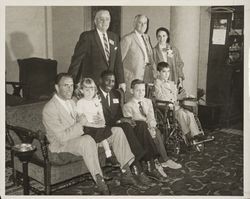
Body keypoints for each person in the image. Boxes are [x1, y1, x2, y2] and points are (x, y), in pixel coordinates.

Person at [42, 73, 139, 195]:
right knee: (87, 140)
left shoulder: (73, 101)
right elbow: (61, 137)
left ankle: (126, 173)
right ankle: (99, 181)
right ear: (57, 87)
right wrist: (81, 124)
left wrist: (99, 120)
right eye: (65, 85)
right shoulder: (50, 108)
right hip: (63, 144)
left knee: (117, 131)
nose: (69, 89)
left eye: (71, 85)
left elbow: (91, 114)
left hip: (85, 135)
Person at [97, 70, 169, 185]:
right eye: (107, 80)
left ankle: (150, 167)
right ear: (100, 81)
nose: (110, 83)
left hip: (117, 123)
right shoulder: (95, 95)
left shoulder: (115, 94)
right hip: (103, 127)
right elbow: (100, 118)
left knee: (141, 124)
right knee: (125, 126)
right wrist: (121, 120)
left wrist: (126, 119)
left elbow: (119, 114)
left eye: (113, 81)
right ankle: (138, 169)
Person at [123, 79, 182, 170]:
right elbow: (131, 124)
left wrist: (152, 126)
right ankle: (162, 159)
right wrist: (148, 128)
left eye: (143, 90)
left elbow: (151, 117)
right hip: (137, 131)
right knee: (154, 133)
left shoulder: (148, 101)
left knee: (156, 131)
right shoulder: (127, 106)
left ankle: (159, 160)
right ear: (131, 91)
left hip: (148, 127)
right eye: (138, 90)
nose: (141, 93)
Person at [68, 9, 125, 92]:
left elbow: (118, 62)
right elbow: (76, 61)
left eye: (107, 19)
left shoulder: (114, 37)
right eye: (101, 19)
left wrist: (121, 81)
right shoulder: (87, 36)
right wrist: (70, 82)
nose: (104, 22)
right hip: (92, 84)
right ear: (95, 21)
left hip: (110, 84)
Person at [154, 62, 204, 141]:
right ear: (158, 72)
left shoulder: (171, 83)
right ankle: (188, 135)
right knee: (181, 114)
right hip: (166, 107)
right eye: (164, 72)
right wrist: (176, 98)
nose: (167, 74)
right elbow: (160, 97)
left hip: (176, 107)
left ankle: (195, 134)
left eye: (168, 71)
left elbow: (177, 93)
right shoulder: (157, 83)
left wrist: (187, 95)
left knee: (189, 114)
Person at [75, 78, 113, 162]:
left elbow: (101, 114)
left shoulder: (95, 101)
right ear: (81, 90)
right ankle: (96, 156)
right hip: (87, 126)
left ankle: (109, 154)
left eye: (92, 89)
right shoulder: (81, 102)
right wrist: (93, 124)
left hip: (97, 125)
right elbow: (81, 119)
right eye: (87, 90)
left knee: (103, 135)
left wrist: (102, 121)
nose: (90, 92)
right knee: (98, 136)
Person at [120, 14, 156, 100]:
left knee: (145, 102)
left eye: (145, 23)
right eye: (140, 23)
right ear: (134, 24)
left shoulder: (147, 37)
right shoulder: (127, 39)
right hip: (133, 77)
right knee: (132, 104)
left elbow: (150, 56)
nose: (143, 25)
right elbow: (118, 61)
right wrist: (121, 80)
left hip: (148, 75)